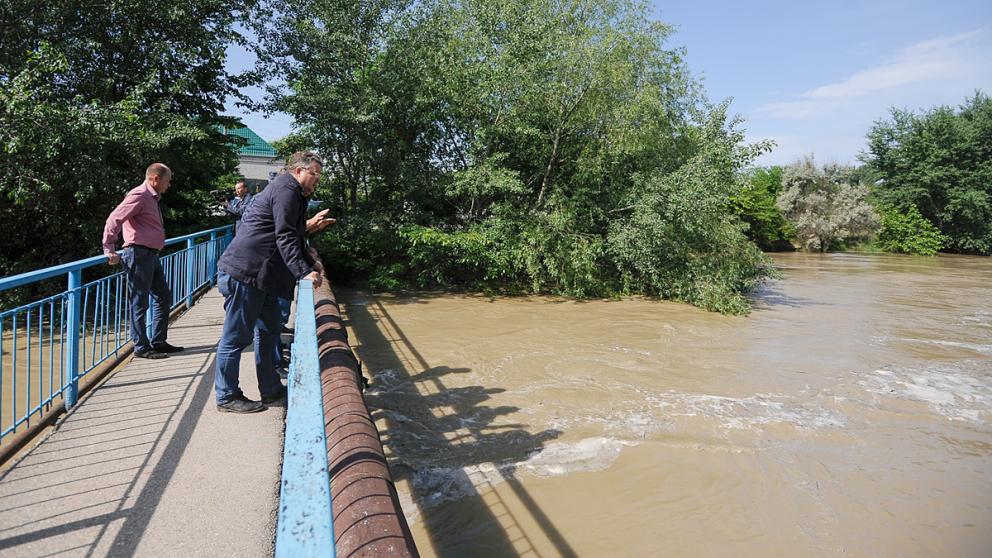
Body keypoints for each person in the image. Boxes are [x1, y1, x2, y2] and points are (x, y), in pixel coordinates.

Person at [213, 151, 332, 413]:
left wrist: (311, 263)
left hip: (263, 277)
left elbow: (295, 234)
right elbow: (285, 235)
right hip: (246, 273)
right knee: (235, 338)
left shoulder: (295, 193)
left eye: (319, 175)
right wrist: (303, 271)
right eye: (314, 174)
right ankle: (226, 396)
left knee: (268, 333)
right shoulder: (286, 189)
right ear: (299, 171)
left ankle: (271, 391)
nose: (317, 180)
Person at [102, 163, 185, 359]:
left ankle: (158, 341)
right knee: (139, 303)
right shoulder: (139, 195)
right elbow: (114, 219)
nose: (169, 184)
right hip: (138, 254)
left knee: (163, 297)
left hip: (150, 255)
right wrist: (109, 249)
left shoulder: (152, 198)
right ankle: (141, 347)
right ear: (155, 178)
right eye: (167, 180)